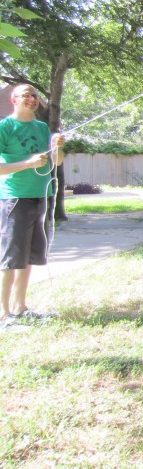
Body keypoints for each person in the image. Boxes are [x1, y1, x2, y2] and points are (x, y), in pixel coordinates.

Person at [0, 83, 64, 326]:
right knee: (10, 257)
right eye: (25, 95)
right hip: (14, 198)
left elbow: (56, 162)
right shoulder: (5, 127)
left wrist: (58, 147)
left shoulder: (40, 128)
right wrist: (28, 164)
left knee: (27, 257)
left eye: (34, 95)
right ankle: (3, 315)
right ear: (13, 100)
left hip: (40, 197)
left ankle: (20, 308)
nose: (32, 98)